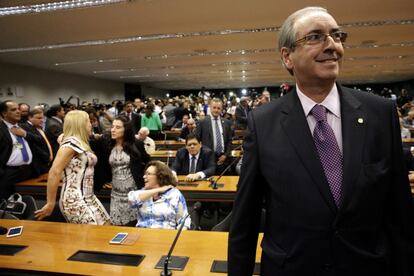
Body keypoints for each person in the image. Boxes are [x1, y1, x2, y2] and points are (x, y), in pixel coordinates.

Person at [228, 7, 414, 276]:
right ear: (287, 57)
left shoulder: (380, 113)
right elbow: (245, 221)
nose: (332, 46)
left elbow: (400, 214)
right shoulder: (262, 123)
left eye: (336, 36)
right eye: (315, 37)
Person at [35, 110, 110, 225]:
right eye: (88, 121)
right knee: (93, 236)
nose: (91, 124)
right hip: (74, 200)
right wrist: (50, 203)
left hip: (88, 196)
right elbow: (54, 173)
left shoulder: (79, 142)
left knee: (106, 227)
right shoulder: (70, 144)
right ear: (80, 124)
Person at [107, 116, 149, 226]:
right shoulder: (107, 143)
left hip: (133, 193)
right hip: (116, 194)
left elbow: (148, 162)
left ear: (126, 129)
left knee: (134, 226)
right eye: (112, 127)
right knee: (116, 226)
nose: (113, 130)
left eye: (117, 127)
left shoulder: (136, 144)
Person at [128, 160, 191, 229]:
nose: (144, 176)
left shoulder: (174, 195)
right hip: (142, 234)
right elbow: (132, 200)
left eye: (148, 174)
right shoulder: (144, 192)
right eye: (145, 174)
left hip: (165, 235)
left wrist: (178, 237)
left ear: (159, 176)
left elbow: (184, 221)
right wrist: (158, 190)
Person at [0, 100, 37, 199]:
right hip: (9, 173)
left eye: (18, 109)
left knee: (29, 202)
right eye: (13, 110)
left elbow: (40, 140)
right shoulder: (1, 130)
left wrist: (24, 134)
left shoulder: (23, 127)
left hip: (28, 171)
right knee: (9, 204)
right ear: (4, 113)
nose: (18, 111)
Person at [195, 98, 233, 174]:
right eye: (214, 107)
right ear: (210, 108)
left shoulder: (227, 123)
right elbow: (197, 140)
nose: (216, 110)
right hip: (208, 158)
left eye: (218, 108)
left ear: (222, 109)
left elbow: (229, 141)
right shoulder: (202, 122)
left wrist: (225, 155)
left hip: (223, 159)